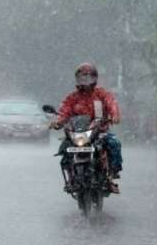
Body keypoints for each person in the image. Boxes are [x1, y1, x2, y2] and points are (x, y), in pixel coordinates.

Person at [49, 62, 123, 193]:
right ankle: (71, 178)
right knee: (65, 149)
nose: (86, 81)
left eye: (89, 78)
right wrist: (58, 122)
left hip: (99, 131)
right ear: (77, 79)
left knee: (113, 143)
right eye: (83, 78)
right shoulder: (73, 97)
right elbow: (63, 111)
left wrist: (114, 115)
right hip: (78, 133)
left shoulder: (101, 94)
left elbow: (111, 103)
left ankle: (111, 175)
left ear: (95, 78)